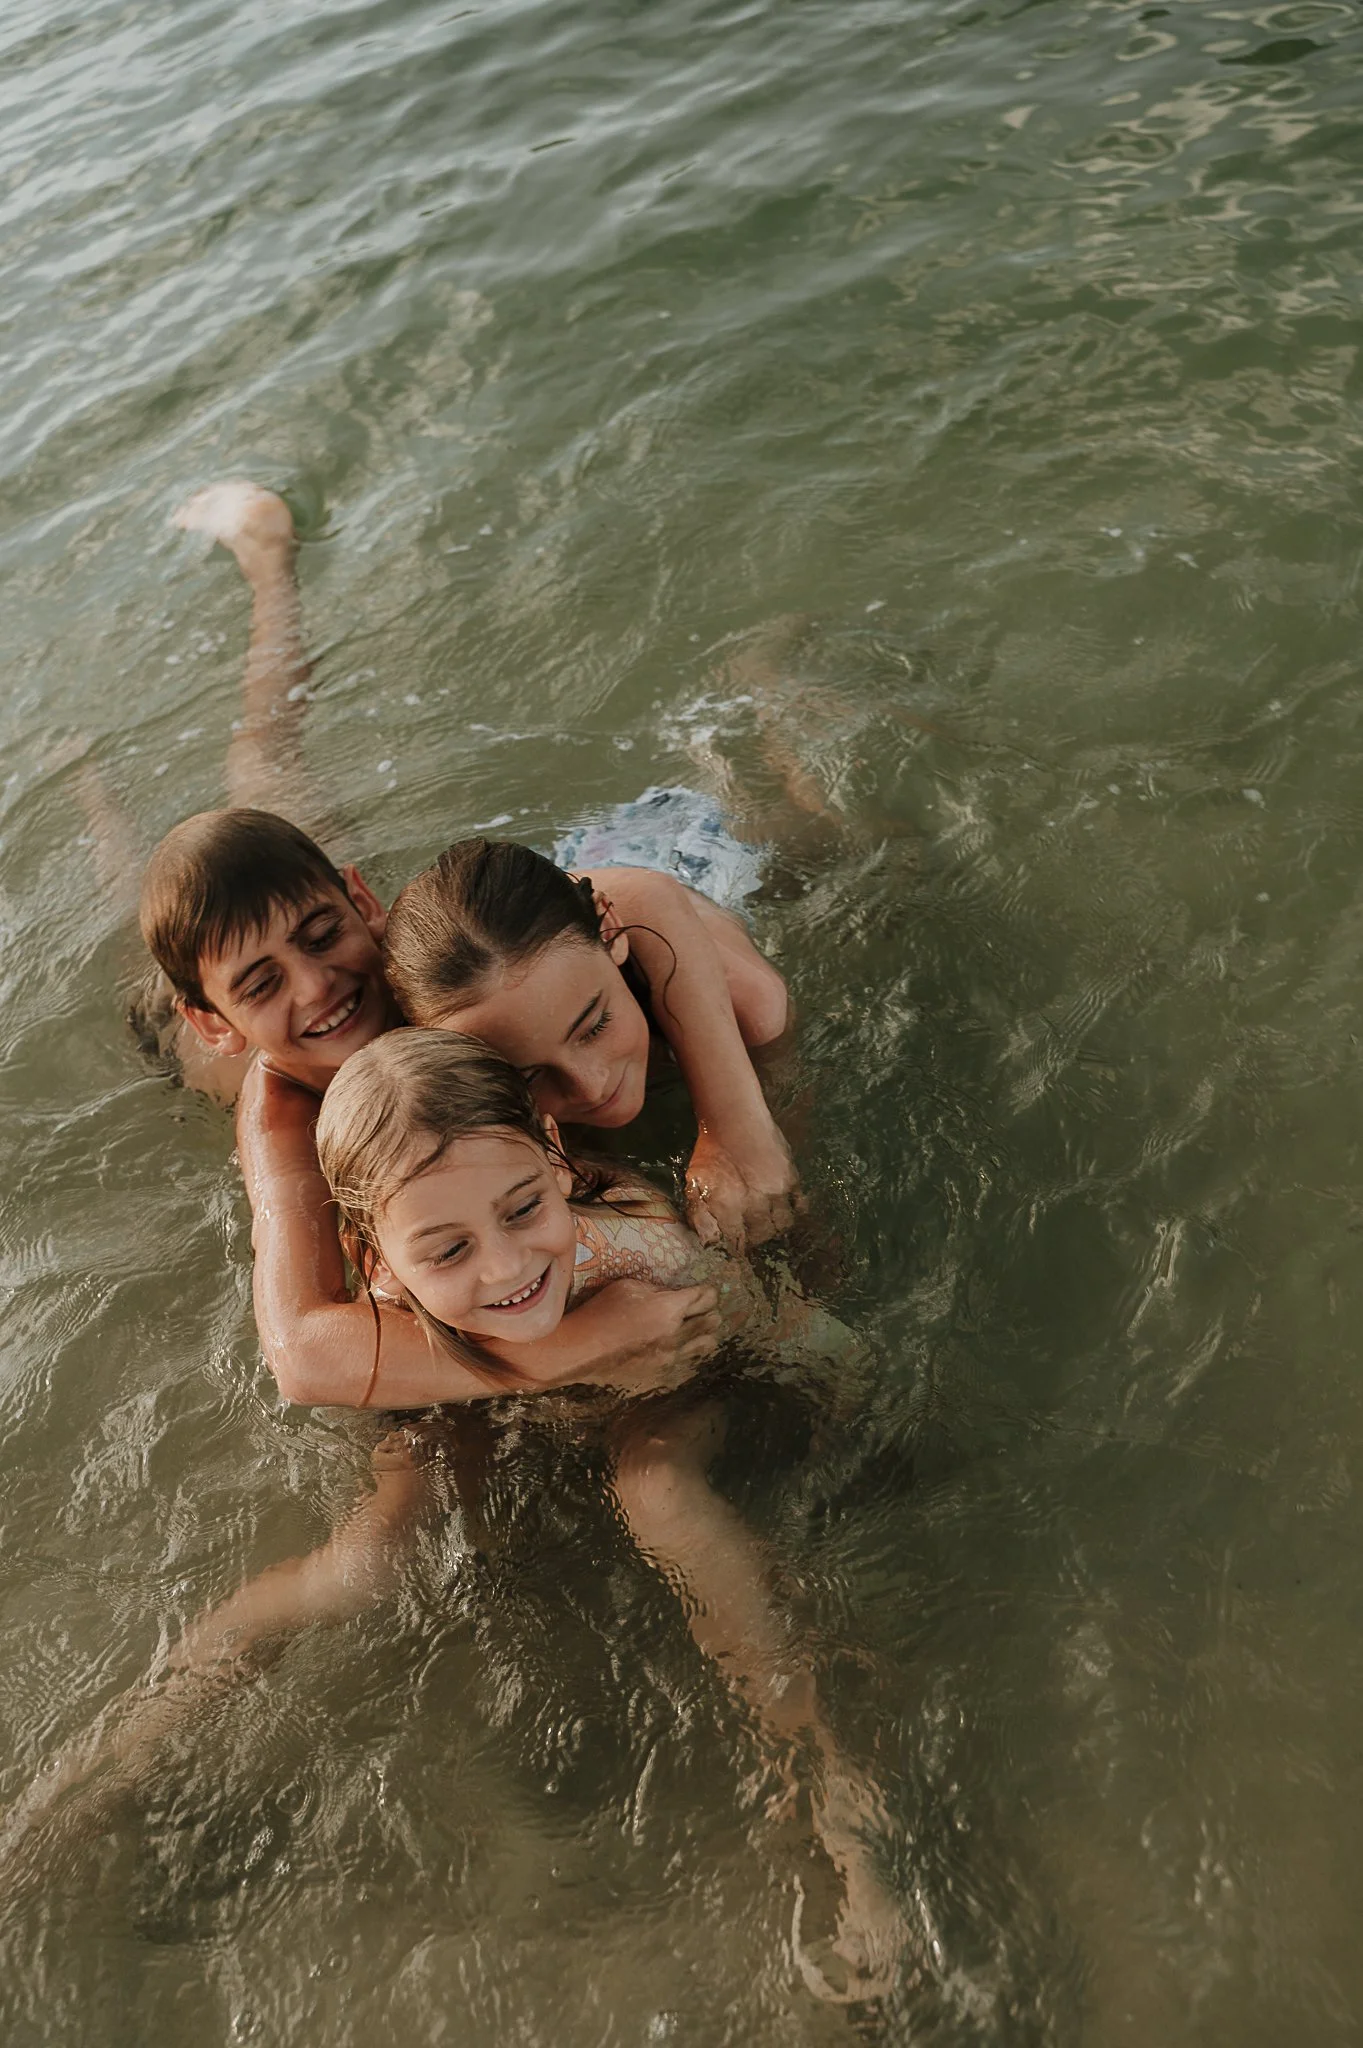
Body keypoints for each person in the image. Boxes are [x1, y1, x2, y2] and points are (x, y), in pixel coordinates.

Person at [3, 1034, 902, 2001]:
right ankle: (89, 1778)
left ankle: (837, 1805)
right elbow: (330, 1362)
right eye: (448, 1248)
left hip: (652, 1393)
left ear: (555, 1158)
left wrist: (862, 1423)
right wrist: (528, 1364)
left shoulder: (635, 1256)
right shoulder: (389, 1289)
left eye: (524, 1207)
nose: (509, 1266)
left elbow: (791, 1329)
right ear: (370, 1249)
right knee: (366, 1563)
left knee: (655, 1491)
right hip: (471, 1392)